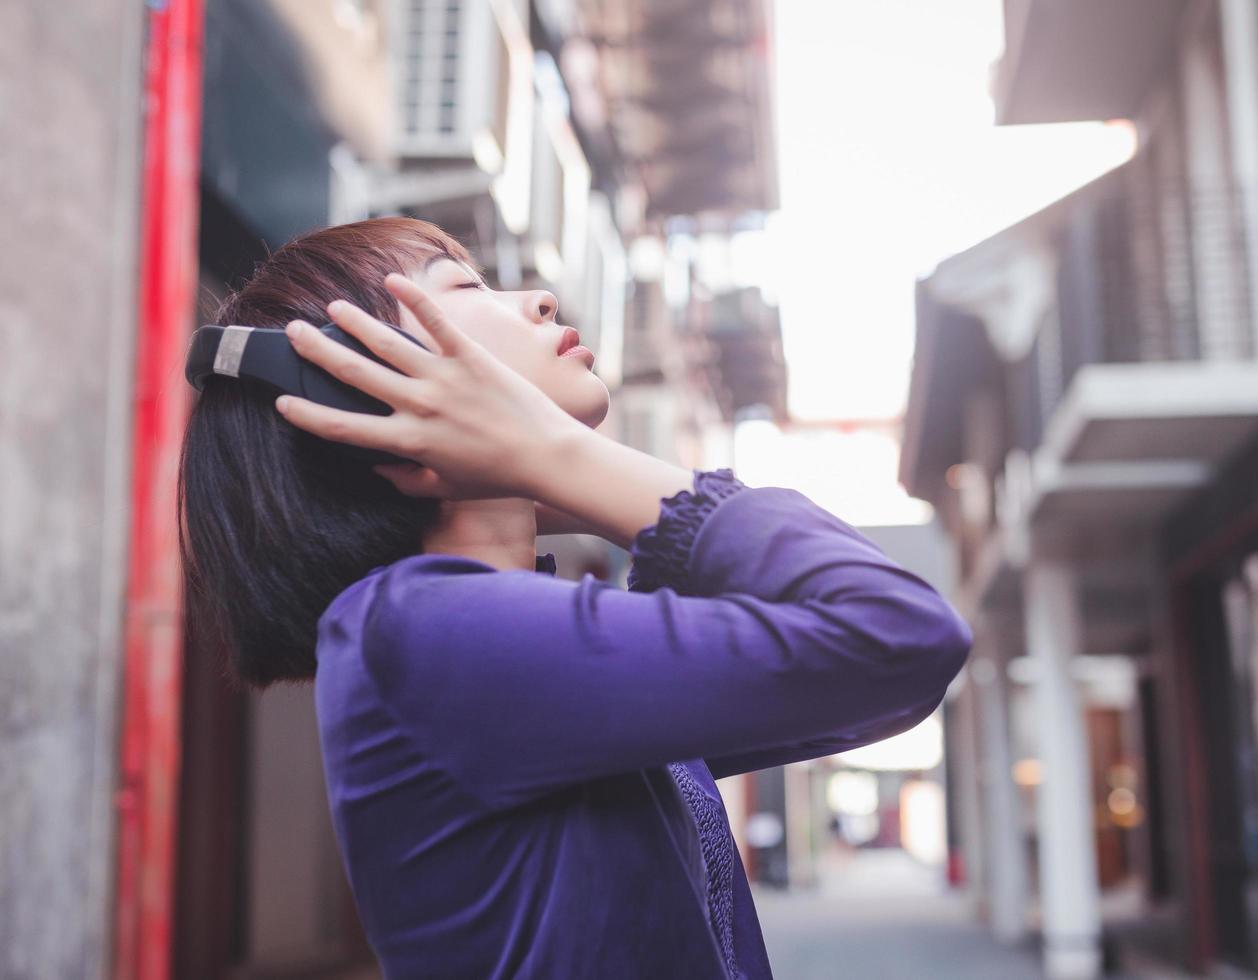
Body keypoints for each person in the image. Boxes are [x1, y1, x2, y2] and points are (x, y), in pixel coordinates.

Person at [178, 216, 973, 979]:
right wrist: (562, 455)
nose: (540, 300)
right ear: (359, 389)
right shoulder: (426, 634)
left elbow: (878, 663)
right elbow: (895, 632)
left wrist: (556, 465)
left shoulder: (488, 639)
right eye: (461, 288)